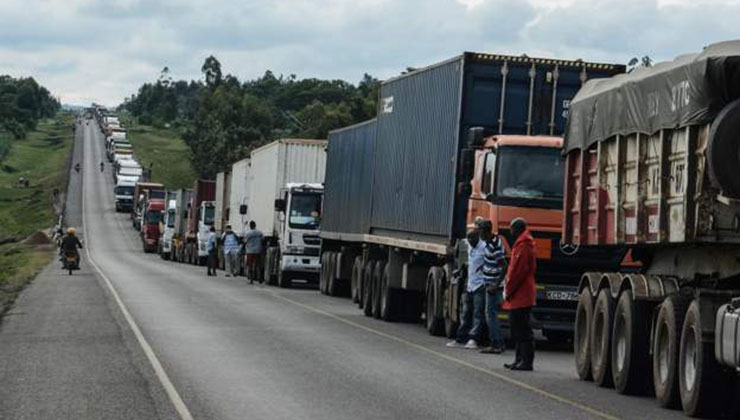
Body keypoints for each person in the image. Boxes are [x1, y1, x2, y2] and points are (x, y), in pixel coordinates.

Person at [503, 217, 537, 371]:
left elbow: (518, 272)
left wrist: (508, 290)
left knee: (522, 329)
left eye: (512, 228)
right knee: (516, 328)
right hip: (519, 294)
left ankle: (526, 361)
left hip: (521, 295)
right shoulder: (521, 244)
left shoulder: (523, 246)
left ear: (518, 229)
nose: (510, 232)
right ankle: (519, 359)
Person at [446, 229, 487, 349]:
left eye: (472, 238)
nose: (470, 241)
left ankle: (473, 339)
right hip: (470, 285)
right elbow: (470, 262)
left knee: (477, 314)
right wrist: (459, 270)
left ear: (478, 237)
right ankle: (460, 339)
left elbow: (492, 263)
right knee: (466, 313)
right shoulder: (470, 246)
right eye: (468, 238)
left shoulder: (484, 248)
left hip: (480, 285)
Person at [477, 219, 508, 354]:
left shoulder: (494, 246)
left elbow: (504, 266)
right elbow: (491, 261)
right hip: (489, 282)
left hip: (493, 285)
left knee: (491, 314)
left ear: (486, 231)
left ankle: (495, 344)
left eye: (480, 232)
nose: (479, 235)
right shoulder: (489, 243)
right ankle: (500, 343)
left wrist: (495, 284)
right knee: (491, 314)